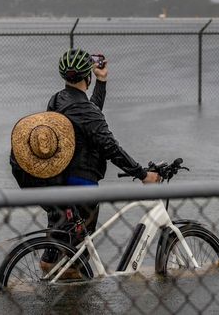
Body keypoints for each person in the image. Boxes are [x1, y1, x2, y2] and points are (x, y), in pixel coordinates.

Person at [10, 48, 161, 278]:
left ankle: (50, 267)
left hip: (56, 180)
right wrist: (143, 175)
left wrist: (102, 82)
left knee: (62, 232)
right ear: (86, 77)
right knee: (81, 247)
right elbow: (110, 147)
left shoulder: (58, 99)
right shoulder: (86, 112)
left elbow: (88, 114)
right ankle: (75, 297)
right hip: (82, 182)